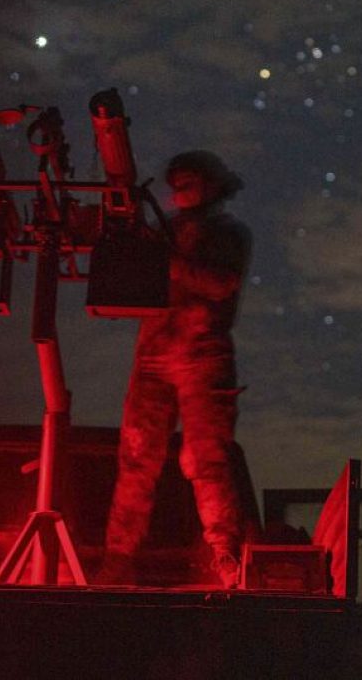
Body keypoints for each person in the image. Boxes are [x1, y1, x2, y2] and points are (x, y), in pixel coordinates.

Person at [99, 150, 251, 589]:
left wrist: (166, 260)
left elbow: (221, 283)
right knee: (136, 457)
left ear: (210, 186)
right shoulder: (161, 233)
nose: (179, 191)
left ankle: (224, 556)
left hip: (202, 354)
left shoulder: (227, 234)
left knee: (208, 459)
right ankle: (118, 559)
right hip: (154, 356)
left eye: (188, 182)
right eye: (176, 183)